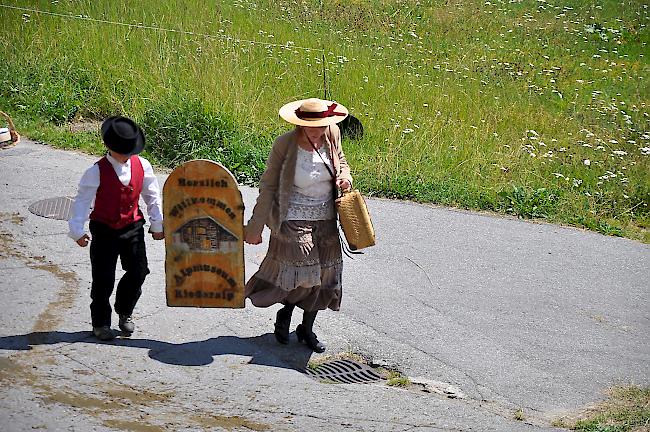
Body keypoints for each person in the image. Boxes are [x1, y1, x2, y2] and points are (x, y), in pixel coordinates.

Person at [244, 98, 353, 353]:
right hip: (291, 216)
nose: (318, 132)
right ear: (300, 124)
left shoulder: (332, 134)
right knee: (304, 274)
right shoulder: (284, 144)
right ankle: (286, 313)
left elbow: (342, 162)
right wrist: (255, 226)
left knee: (326, 275)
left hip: (326, 217)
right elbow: (268, 186)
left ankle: (306, 328)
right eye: (311, 127)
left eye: (322, 126)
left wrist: (345, 178)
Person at [68, 116, 164, 341]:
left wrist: (157, 223)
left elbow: (152, 196)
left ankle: (125, 310)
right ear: (110, 148)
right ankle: (100, 322)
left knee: (139, 271)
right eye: (123, 151)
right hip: (104, 229)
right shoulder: (96, 171)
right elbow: (82, 201)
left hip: (133, 226)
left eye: (131, 150)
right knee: (103, 279)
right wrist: (77, 230)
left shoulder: (143, 165)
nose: (128, 155)